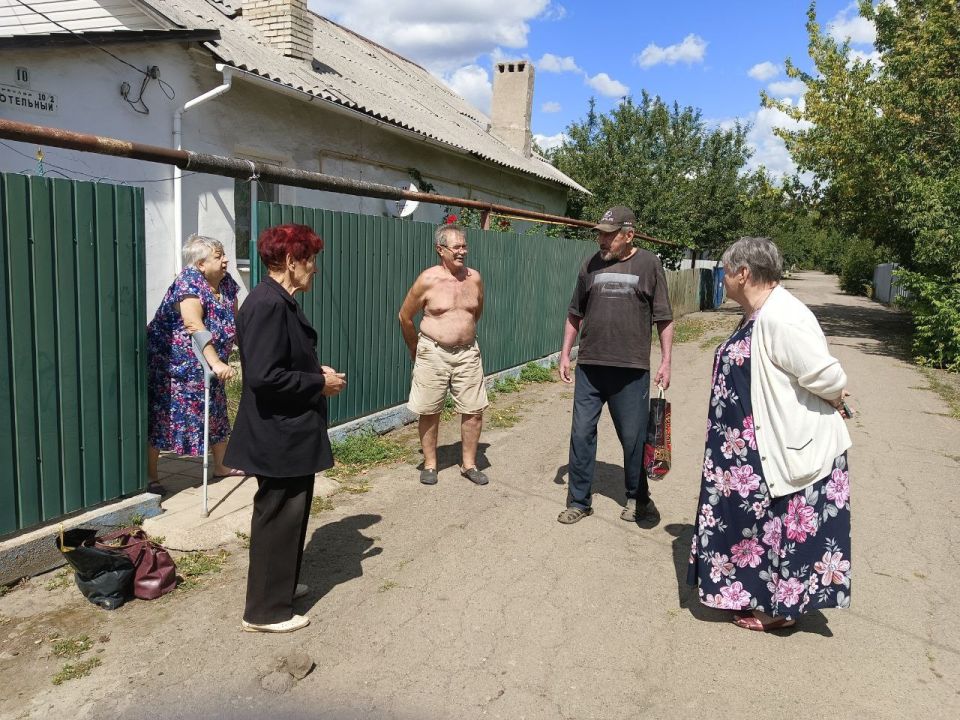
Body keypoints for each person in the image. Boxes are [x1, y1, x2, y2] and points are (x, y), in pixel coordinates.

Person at [687, 237, 853, 631]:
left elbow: (829, 376)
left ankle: (779, 612)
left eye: (725, 271)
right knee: (754, 529)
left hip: (780, 447)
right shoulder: (756, 313)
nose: (722, 279)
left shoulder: (782, 317)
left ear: (744, 273)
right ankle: (747, 594)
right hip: (744, 452)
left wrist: (835, 397)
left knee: (781, 528)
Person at [225, 224, 347, 633]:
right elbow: (263, 376)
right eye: (310, 260)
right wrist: (318, 383)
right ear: (291, 262)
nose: (314, 268)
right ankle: (263, 612)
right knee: (277, 516)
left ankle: (280, 589)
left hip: (289, 432)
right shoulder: (267, 305)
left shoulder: (279, 301)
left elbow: (282, 362)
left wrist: (314, 370)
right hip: (277, 434)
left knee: (290, 516)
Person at [557, 206, 674, 524]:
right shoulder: (590, 264)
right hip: (591, 367)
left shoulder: (649, 264)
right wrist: (565, 353)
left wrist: (666, 361)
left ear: (629, 235)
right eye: (600, 233)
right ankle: (579, 501)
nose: (602, 240)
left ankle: (638, 498)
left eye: (609, 235)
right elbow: (574, 312)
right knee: (581, 434)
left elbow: (663, 317)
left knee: (634, 438)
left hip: (631, 369)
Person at [146, 234, 243, 495]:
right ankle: (150, 476)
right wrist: (215, 362)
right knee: (163, 416)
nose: (226, 260)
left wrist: (247, 350)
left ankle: (222, 466)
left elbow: (236, 321)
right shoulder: (188, 282)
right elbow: (193, 323)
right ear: (201, 264)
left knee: (217, 408)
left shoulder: (226, 283)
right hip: (175, 365)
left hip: (209, 362)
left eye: (224, 254)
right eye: (218, 256)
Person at [398, 222, 489, 486]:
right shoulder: (428, 280)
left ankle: (469, 464)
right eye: (456, 246)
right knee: (430, 409)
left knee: (474, 410)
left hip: (468, 353)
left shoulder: (475, 278)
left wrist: (463, 333)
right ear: (440, 249)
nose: (462, 251)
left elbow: (475, 312)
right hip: (433, 352)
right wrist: (416, 349)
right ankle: (430, 464)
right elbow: (405, 317)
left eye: (464, 246)